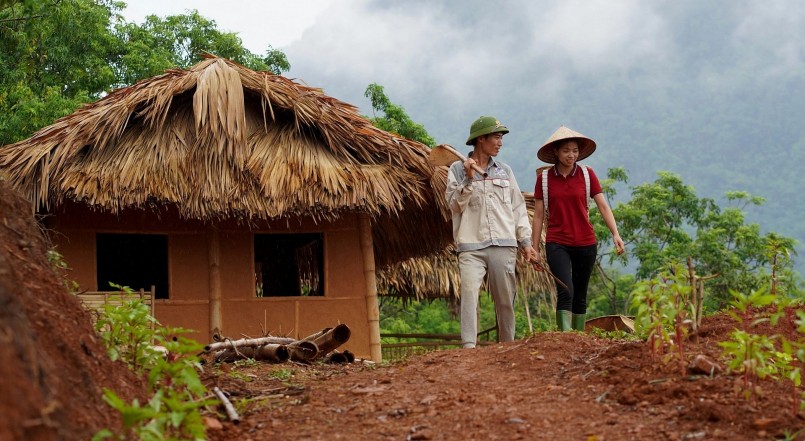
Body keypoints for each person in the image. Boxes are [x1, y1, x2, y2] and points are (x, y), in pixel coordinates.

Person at [446, 116, 538, 348]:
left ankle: (507, 345)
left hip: (504, 243)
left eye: (501, 138)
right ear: (481, 139)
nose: (500, 142)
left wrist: (526, 241)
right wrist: (468, 179)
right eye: (496, 137)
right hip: (471, 245)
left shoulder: (505, 171)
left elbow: (517, 207)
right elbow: (454, 206)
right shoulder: (457, 170)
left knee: (505, 299)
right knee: (469, 293)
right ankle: (469, 346)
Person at [530, 126, 625, 331]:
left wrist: (615, 234)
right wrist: (534, 248)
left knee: (580, 292)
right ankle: (565, 337)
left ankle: (578, 339)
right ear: (556, 152)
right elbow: (538, 216)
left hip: (586, 242)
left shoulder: (587, 174)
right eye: (566, 151)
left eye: (574, 150)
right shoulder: (544, 180)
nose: (571, 155)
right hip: (557, 242)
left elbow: (603, 206)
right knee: (566, 290)